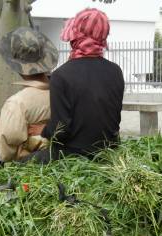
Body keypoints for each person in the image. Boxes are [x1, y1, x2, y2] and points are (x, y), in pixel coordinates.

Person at [26, 8, 125, 163]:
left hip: (73, 157)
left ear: (75, 36)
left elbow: (61, 130)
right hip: (108, 152)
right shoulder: (116, 71)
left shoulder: (61, 75)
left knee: (16, 165)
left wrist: (43, 130)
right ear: (103, 37)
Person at [0, 27, 58, 162]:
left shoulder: (17, 104)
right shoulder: (63, 93)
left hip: (30, 176)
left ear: (15, 64)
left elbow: (6, 154)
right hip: (62, 167)